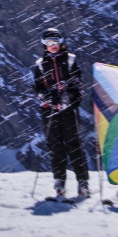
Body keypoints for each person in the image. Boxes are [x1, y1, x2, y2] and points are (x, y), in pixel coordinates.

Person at [33, 27, 89, 200]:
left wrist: (68, 97)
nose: (53, 45)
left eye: (56, 42)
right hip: (49, 110)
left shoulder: (70, 60)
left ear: (61, 42)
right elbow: (37, 88)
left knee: (74, 144)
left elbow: (78, 85)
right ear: (44, 44)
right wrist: (48, 96)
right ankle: (59, 182)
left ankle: (82, 183)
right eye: (49, 42)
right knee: (55, 146)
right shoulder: (40, 64)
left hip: (68, 109)